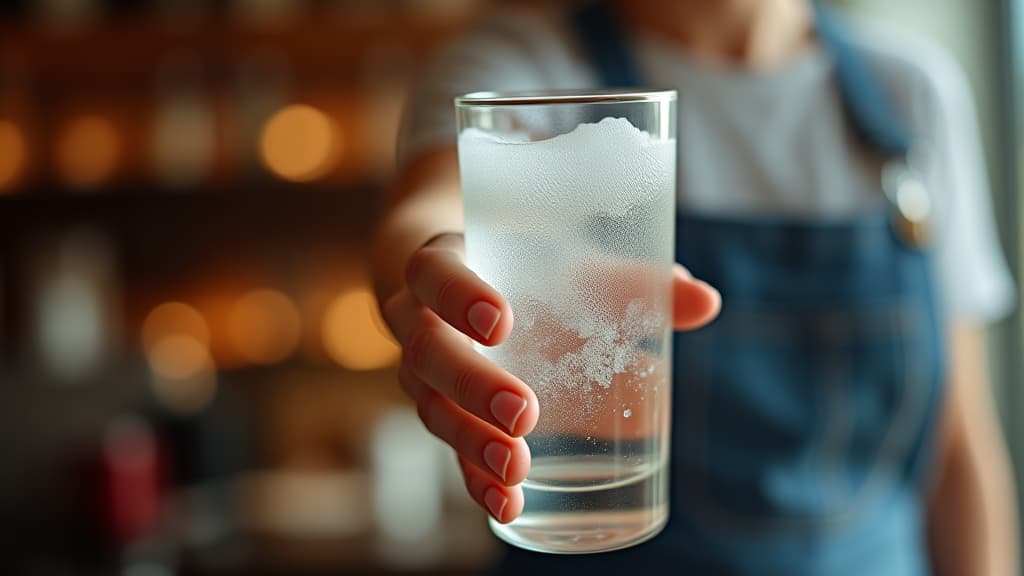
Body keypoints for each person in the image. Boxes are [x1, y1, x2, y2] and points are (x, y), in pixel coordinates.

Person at [371, 0, 1020, 574]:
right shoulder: (518, 59)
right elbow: (436, 209)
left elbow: (959, 446)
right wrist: (433, 273)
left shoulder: (909, 92)